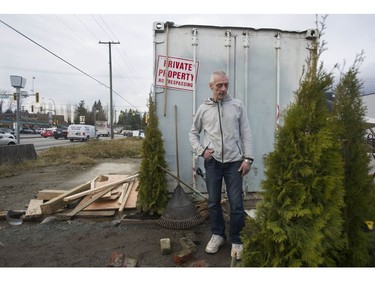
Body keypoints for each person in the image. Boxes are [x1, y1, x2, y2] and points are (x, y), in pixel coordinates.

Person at [189, 70, 254, 260]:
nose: (223, 88)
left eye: (226, 84)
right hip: (213, 163)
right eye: (219, 85)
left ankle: (237, 239)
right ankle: (218, 235)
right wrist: (201, 150)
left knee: (236, 204)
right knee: (213, 202)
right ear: (211, 87)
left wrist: (248, 158)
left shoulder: (237, 106)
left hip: (235, 162)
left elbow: (246, 133)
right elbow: (193, 133)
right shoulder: (204, 109)